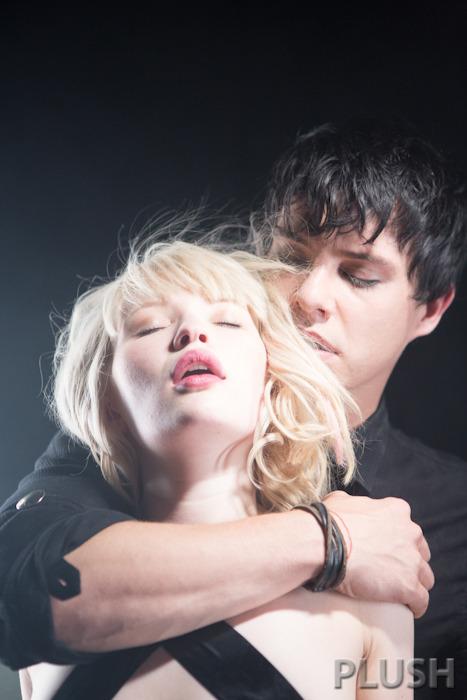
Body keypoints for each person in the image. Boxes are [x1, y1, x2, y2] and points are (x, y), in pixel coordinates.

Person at [19, 238, 414, 699]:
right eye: (149, 328)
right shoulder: (37, 621)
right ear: (108, 402)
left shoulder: (370, 607)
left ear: (271, 378)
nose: (191, 332)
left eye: (227, 321)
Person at [254, 117, 467, 698]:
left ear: (430, 309)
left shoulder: (457, 517)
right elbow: (33, 583)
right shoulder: (150, 432)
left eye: (359, 275)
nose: (308, 295)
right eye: (290, 257)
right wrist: (329, 543)